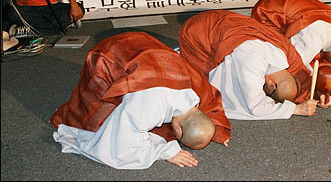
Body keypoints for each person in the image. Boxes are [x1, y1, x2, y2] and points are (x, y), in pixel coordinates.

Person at [50, 32, 231, 169]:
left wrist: (215, 132)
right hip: (108, 54)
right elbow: (122, 146)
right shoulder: (149, 104)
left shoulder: (199, 89)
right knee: (96, 125)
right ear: (179, 128)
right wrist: (164, 152)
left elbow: (210, 109)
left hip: (143, 43)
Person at [179, 10, 321, 120]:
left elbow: (301, 74)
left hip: (219, 18)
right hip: (195, 32)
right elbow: (255, 107)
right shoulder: (253, 65)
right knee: (207, 83)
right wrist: (296, 110)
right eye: (269, 93)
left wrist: (318, 94)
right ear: (271, 85)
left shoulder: (285, 53)